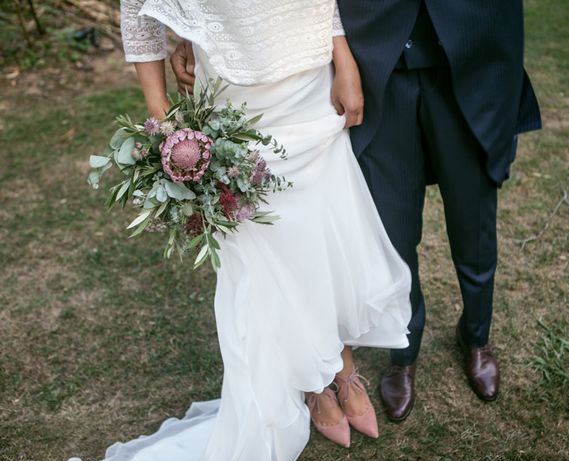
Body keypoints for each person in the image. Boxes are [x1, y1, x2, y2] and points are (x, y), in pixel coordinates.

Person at [52, 1, 412, 461]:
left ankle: (337, 366)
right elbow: (139, 8)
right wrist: (162, 113)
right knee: (266, 252)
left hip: (308, 77)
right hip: (230, 92)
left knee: (324, 228)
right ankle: (318, 380)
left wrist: (343, 57)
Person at [171, 0, 542, 422]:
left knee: (474, 223)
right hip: (377, 61)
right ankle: (403, 351)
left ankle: (476, 338)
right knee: (392, 228)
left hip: (472, 54)